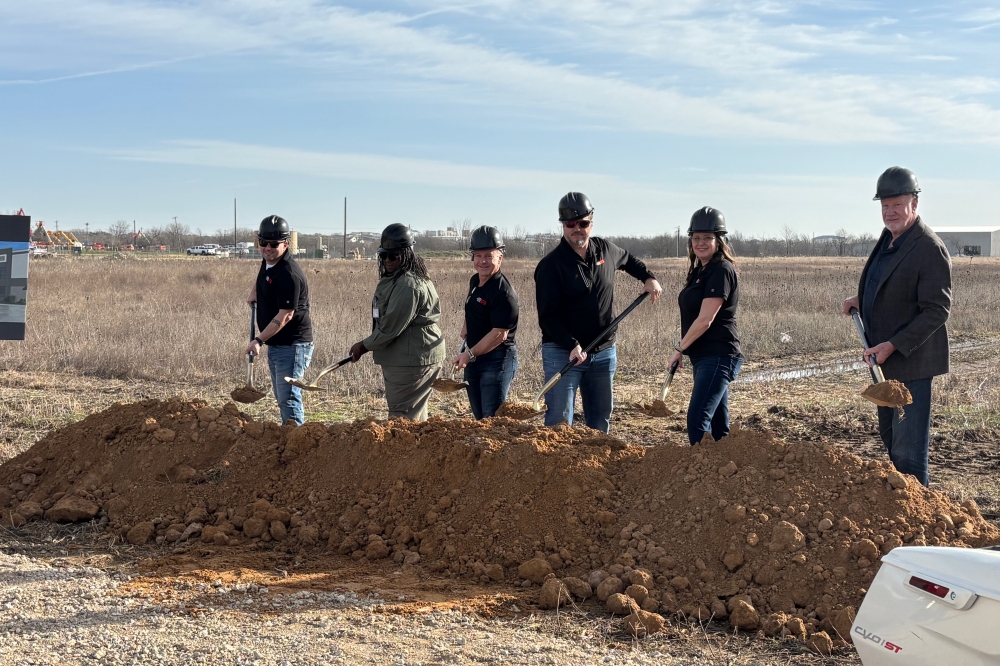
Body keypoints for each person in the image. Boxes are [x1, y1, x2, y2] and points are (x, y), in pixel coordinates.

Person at [842, 167, 951, 487]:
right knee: (891, 440)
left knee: (909, 453)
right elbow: (891, 285)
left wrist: (892, 345)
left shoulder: (929, 248)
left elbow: (937, 310)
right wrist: (862, 298)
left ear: (914, 204)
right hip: (884, 364)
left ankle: (922, 522)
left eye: (897, 205)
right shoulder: (890, 239)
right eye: (885, 206)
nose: (890, 212)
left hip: (910, 364)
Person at [534, 192, 662, 433]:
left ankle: (596, 469)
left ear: (591, 222)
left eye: (582, 223)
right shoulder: (551, 266)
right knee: (559, 423)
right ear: (563, 225)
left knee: (600, 417)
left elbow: (629, 260)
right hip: (563, 352)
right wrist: (571, 344)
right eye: (570, 224)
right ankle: (559, 467)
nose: (577, 229)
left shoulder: (605, 249)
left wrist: (648, 277)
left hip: (603, 351)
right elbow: (547, 316)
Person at [349, 223, 446, 421]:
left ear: (408, 254)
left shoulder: (407, 285)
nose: (387, 260)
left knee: (402, 419)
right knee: (413, 416)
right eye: (384, 255)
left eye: (393, 256)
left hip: (411, 360)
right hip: (409, 356)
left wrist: (364, 346)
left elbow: (390, 328)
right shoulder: (399, 278)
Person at [666, 207, 742, 445]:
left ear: (719, 241)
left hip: (719, 355)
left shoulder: (721, 270)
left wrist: (679, 348)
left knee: (698, 418)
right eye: (696, 238)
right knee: (719, 427)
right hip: (703, 357)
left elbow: (705, 320)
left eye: (707, 238)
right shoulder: (701, 270)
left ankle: (700, 476)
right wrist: (686, 350)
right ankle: (724, 473)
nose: (700, 243)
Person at [245, 215, 314, 426]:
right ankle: (288, 434)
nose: (267, 248)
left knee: (288, 398)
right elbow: (263, 275)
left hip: (292, 345)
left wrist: (258, 340)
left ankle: (296, 444)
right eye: (263, 242)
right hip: (277, 344)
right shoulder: (269, 261)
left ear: (285, 244)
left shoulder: (289, 274)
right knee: (282, 397)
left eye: (273, 244)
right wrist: (255, 292)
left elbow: (286, 315)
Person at [452, 226, 519, 419]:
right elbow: (471, 305)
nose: (482, 261)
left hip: (497, 360)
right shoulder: (475, 281)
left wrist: (469, 354)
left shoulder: (504, 293)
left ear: (500, 257)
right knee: (479, 417)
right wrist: (466, 327)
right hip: (474, 358)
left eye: (489, 256)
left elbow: (499, 334)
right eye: (478, 255)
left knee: (492, 418)